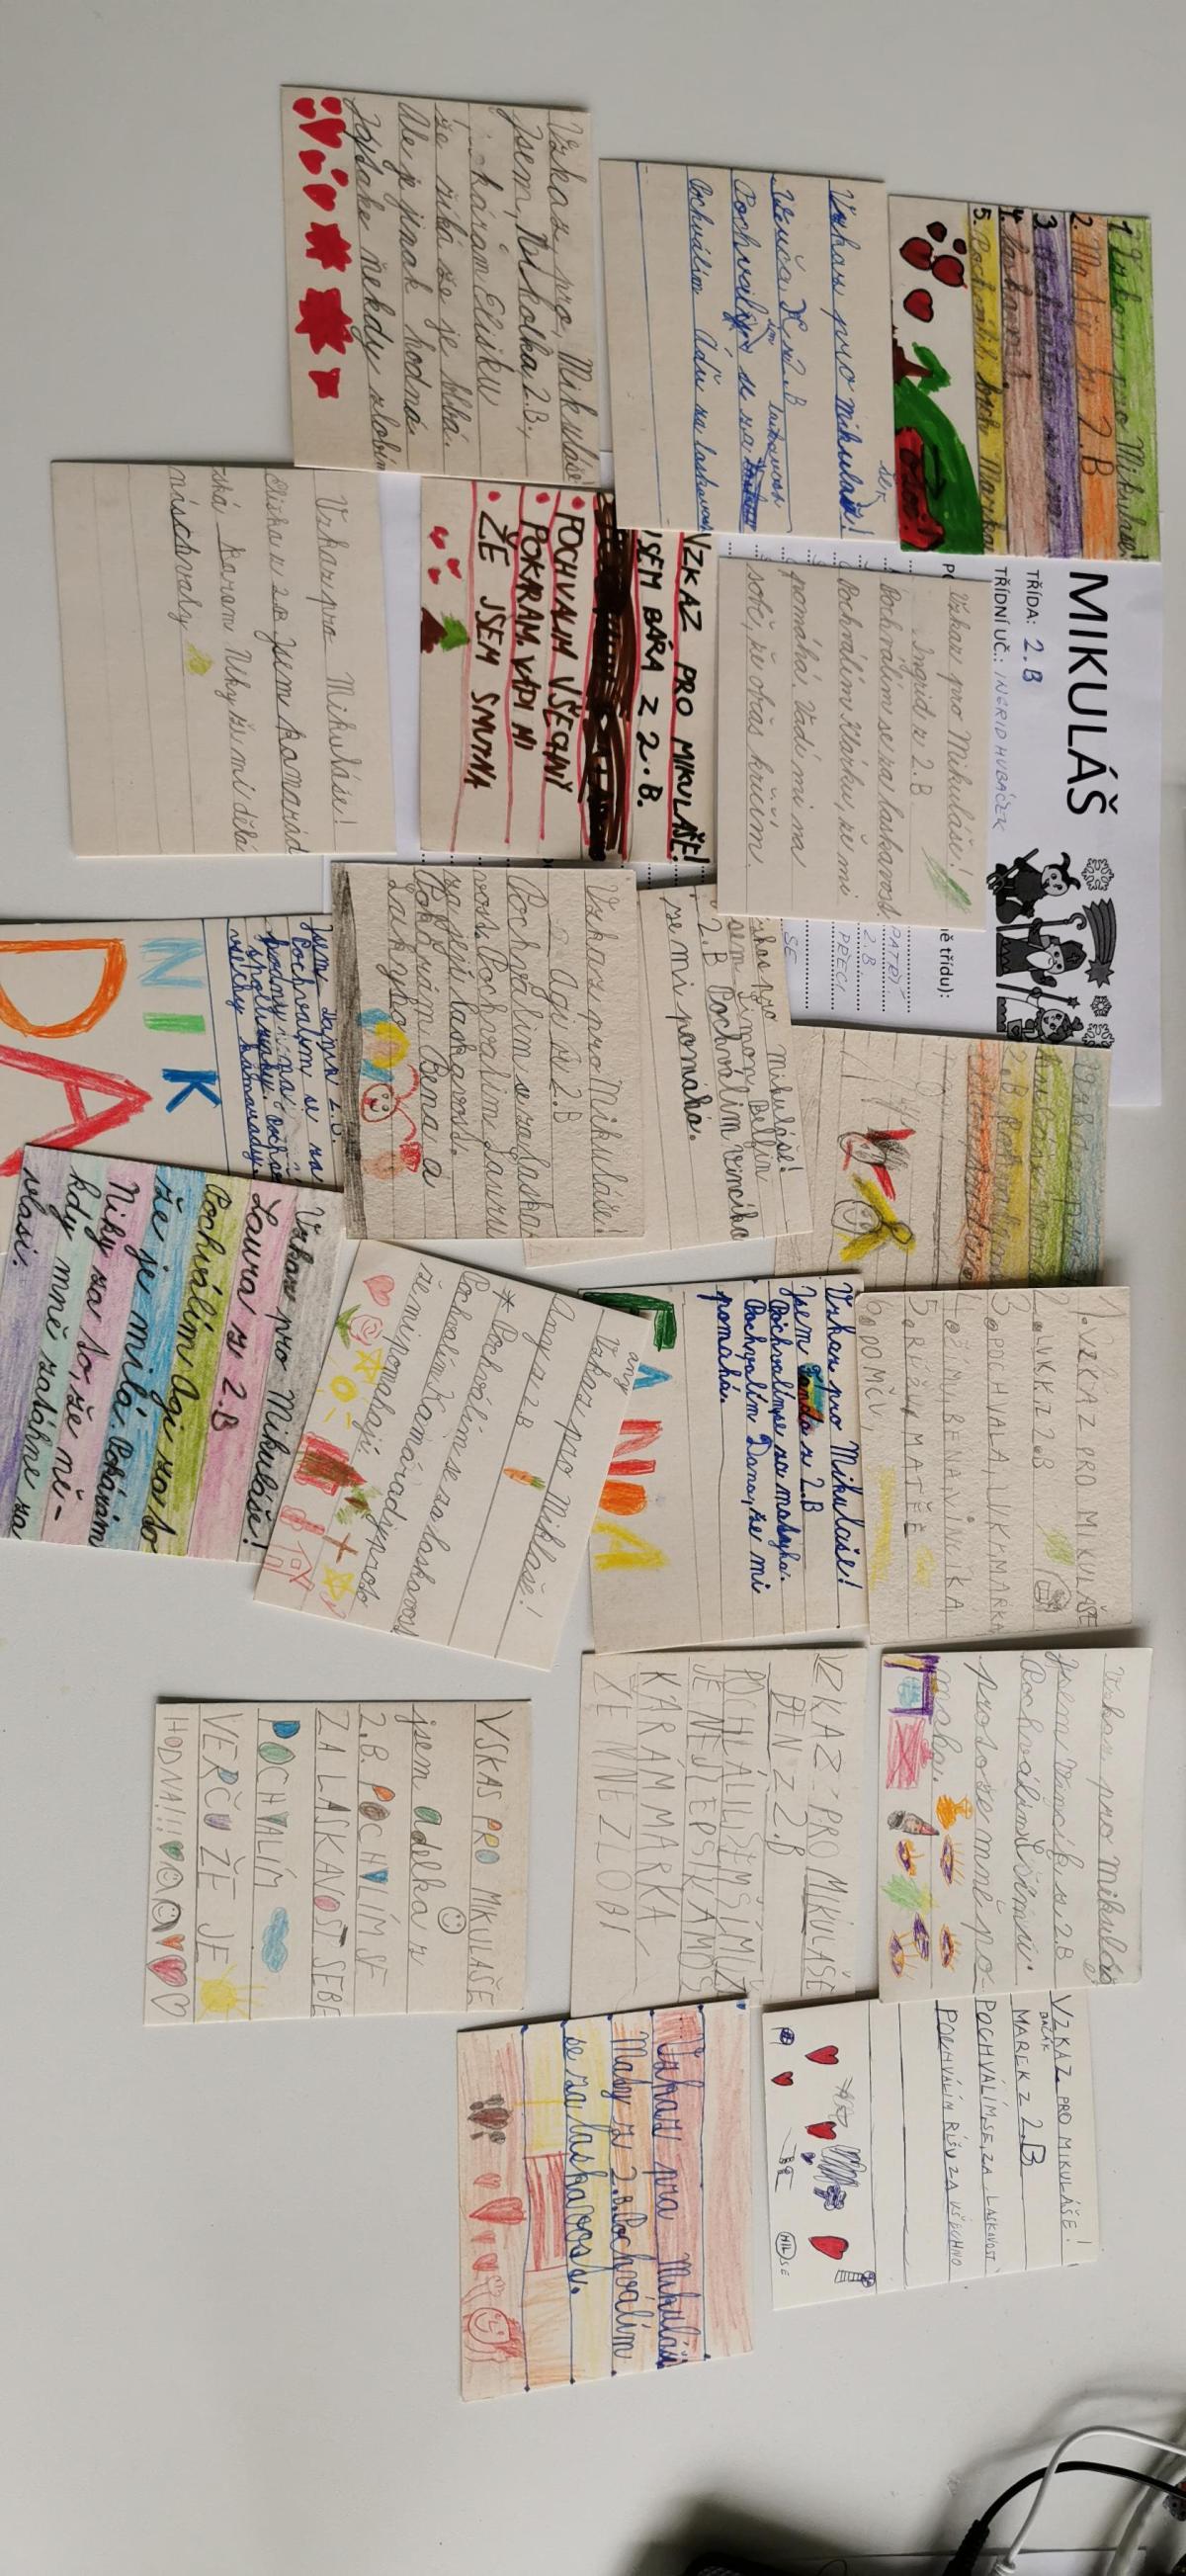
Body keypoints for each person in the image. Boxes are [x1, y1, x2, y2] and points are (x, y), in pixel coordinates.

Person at [987, 851, 1080, 923]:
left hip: (1018, 893)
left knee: (1006, 916)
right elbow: (1026, 868)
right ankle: (1001, 877)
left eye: (1059, 887)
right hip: (1018, 880)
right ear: (1047, 869)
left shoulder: (1039, 893)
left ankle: (1000, 894)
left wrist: (1027, 909)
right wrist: (1022, 864)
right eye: (1053, 876)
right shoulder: (1036, 875)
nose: (1052, 883)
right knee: (1006, 880)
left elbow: (1031, 900)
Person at [996, 924, 1086, 987]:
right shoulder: (1037, 945)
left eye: (1059, 966)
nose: (1054, 961)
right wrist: (1036, 926)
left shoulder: (1037, 969)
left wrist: (1045, 981)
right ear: (1052, 946)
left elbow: (1038, 979)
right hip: (1003, 945)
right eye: (1056, 954)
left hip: (1003, 967)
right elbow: (1033, 933)